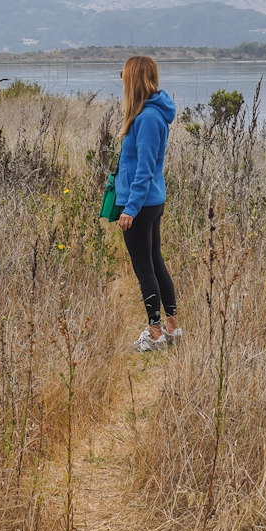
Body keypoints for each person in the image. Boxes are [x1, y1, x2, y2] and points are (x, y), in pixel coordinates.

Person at [115, 55, 182, 352]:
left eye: (125, 75)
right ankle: (171, 328)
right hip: (150, 201)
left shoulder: (147, 119)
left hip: (141, 205)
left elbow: (144, 168)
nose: (122, 79)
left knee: (145, 268)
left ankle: (155, 335)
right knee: (154, 263)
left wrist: (130, 208)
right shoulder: (150, 113)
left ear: (135, 80)